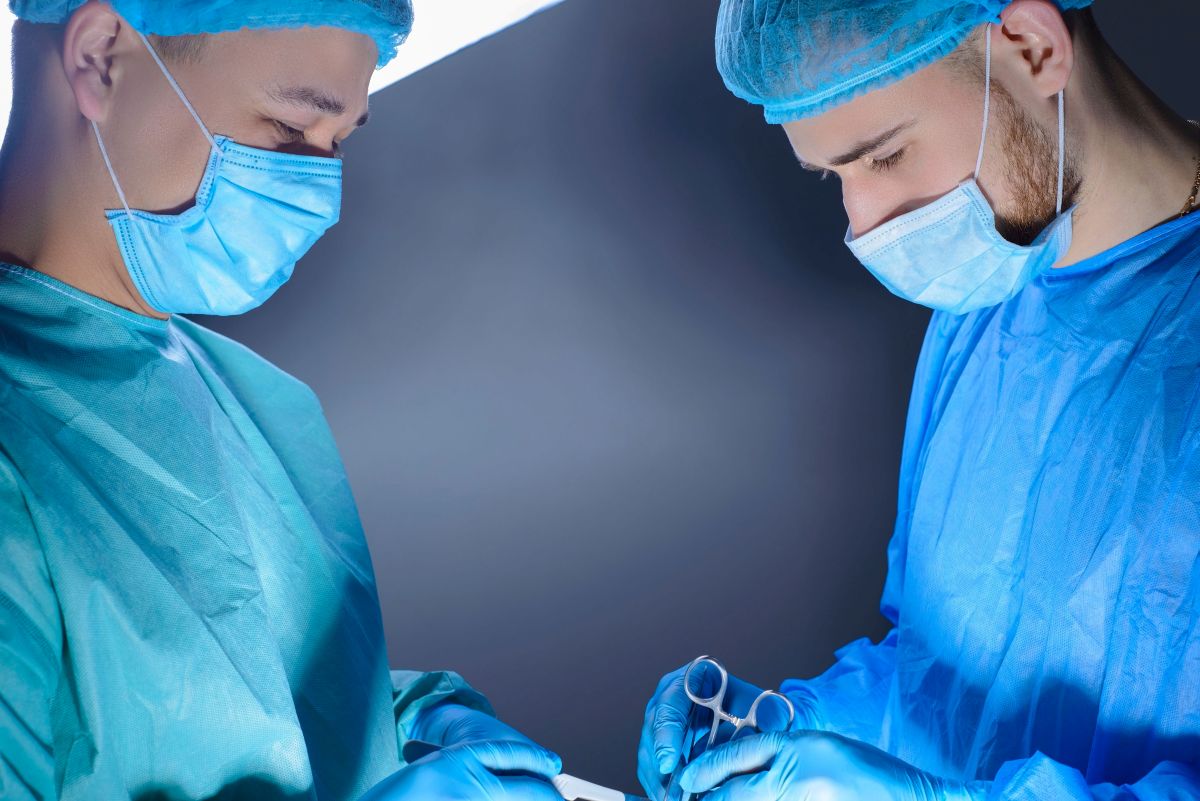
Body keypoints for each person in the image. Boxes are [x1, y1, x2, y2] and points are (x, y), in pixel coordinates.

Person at [0, 1, 563, 799]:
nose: (320, 194)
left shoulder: (250, 397)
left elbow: (247, 701)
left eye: (339, 143)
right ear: (99, 57)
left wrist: (423, 725)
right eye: (291, 131)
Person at [639, 1, 1200, 799]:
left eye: (885, 156)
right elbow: (936, 666)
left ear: (1033, 48)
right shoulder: (994, 296)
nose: (863, 223)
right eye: (835, 177)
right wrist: (795, 727)